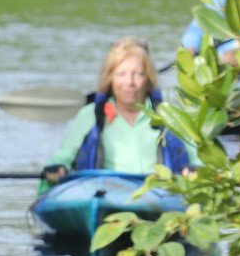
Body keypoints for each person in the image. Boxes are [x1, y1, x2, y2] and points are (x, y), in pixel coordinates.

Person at [41, 37, 193, 184]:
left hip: (157, 193)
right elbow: (66, 154)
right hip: (104, 193)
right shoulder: (91, 114)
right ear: (110, 78)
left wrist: (195, 169)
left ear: (148, 78)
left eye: (138, 74)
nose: (129, 82)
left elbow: (195, 155)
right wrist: (58, 166)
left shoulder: (169, 114)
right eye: (121, 74)